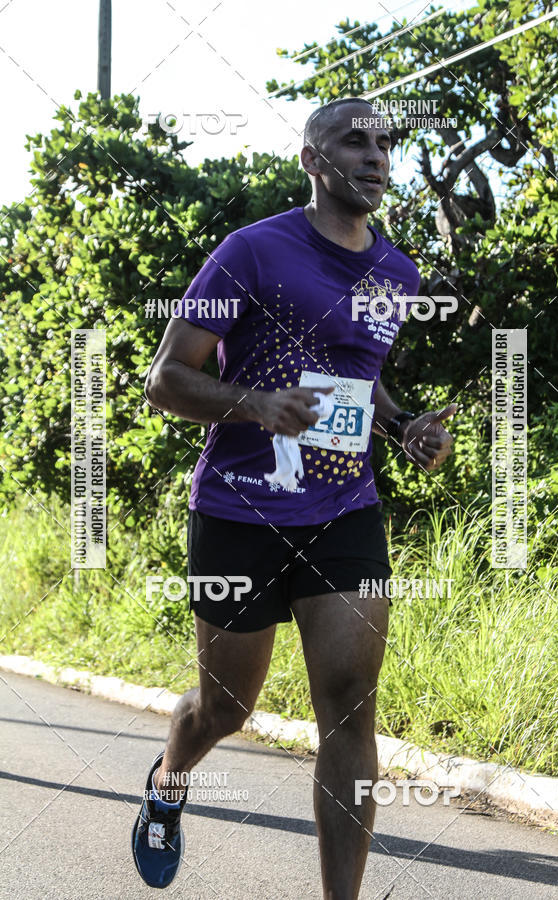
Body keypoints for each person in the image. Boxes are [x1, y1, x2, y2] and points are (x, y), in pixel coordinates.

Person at [132, 96, 456, 898]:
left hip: (345, 510)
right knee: (224, 708)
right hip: (240, 509)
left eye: (386, 144)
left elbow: (360, 377)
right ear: (314, 161)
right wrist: (253, 404)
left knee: (348, 704)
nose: (377, 156)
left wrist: (401, 428)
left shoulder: (398, 273)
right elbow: (164, 378)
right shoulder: (249, 252)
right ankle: (169, 783)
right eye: (356, 142)